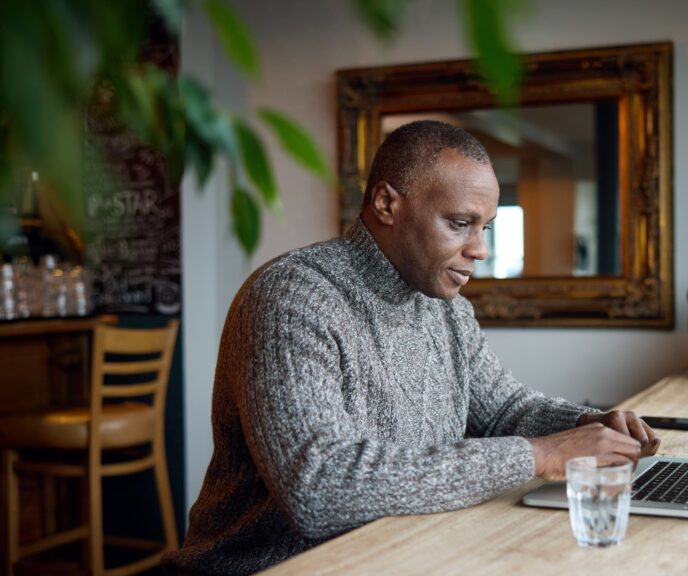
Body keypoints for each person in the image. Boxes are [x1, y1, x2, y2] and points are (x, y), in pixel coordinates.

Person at [164, 120, 660, 574]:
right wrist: (536, 456)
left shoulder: (445, 307)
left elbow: (507, 409)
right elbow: (319, 487)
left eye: (484, 227)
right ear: (386, 204)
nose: (480, 249)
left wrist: (586, 426)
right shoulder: (292, 298)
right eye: (460, 223)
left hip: (399, 557)